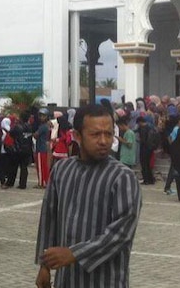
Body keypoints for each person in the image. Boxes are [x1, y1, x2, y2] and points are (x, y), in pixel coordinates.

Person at [35, 104, 142, 288]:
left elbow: (121, 233)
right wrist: (44, 265)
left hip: (105, 281)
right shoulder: (61, 170)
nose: (103, 141)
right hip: (66, 280)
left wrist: (74, 254)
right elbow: (49, 220)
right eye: (95, 134)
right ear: (77, 136)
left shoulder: (122, 177)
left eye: (108, 134)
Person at [136, 116, 157, 185]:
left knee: (144, 164)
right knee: (148, 164)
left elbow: (143, 140)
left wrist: (138, 140)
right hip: (150, 148)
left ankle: (146, 180)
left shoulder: (142, 129)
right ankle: (151, 179)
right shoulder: (151, 127)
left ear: (140, 122)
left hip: (144, 148)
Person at [34, 108, 51, 188]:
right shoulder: (46, 125)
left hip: (41, 148)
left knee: (40, 167)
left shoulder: (43, 126)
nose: (41, 117)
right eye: (40, 115)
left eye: (43, 116)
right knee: (44, 166)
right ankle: (45, 181)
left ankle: (41, 183)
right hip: (43, 148)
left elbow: (36, 135)